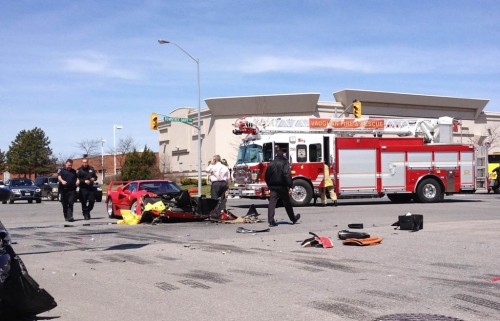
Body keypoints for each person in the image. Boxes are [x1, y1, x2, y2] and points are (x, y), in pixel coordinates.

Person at [264, 149, 300, 227]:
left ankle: (271, 221)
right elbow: (287, 174)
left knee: (272, 203)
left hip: (273, 186)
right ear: (283, 155)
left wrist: (269, 185)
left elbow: (266, 176)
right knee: (287, 203)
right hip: (282, 186)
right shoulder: (285, 163)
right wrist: (290, 185)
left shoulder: (271, 163)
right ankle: (293, 219)